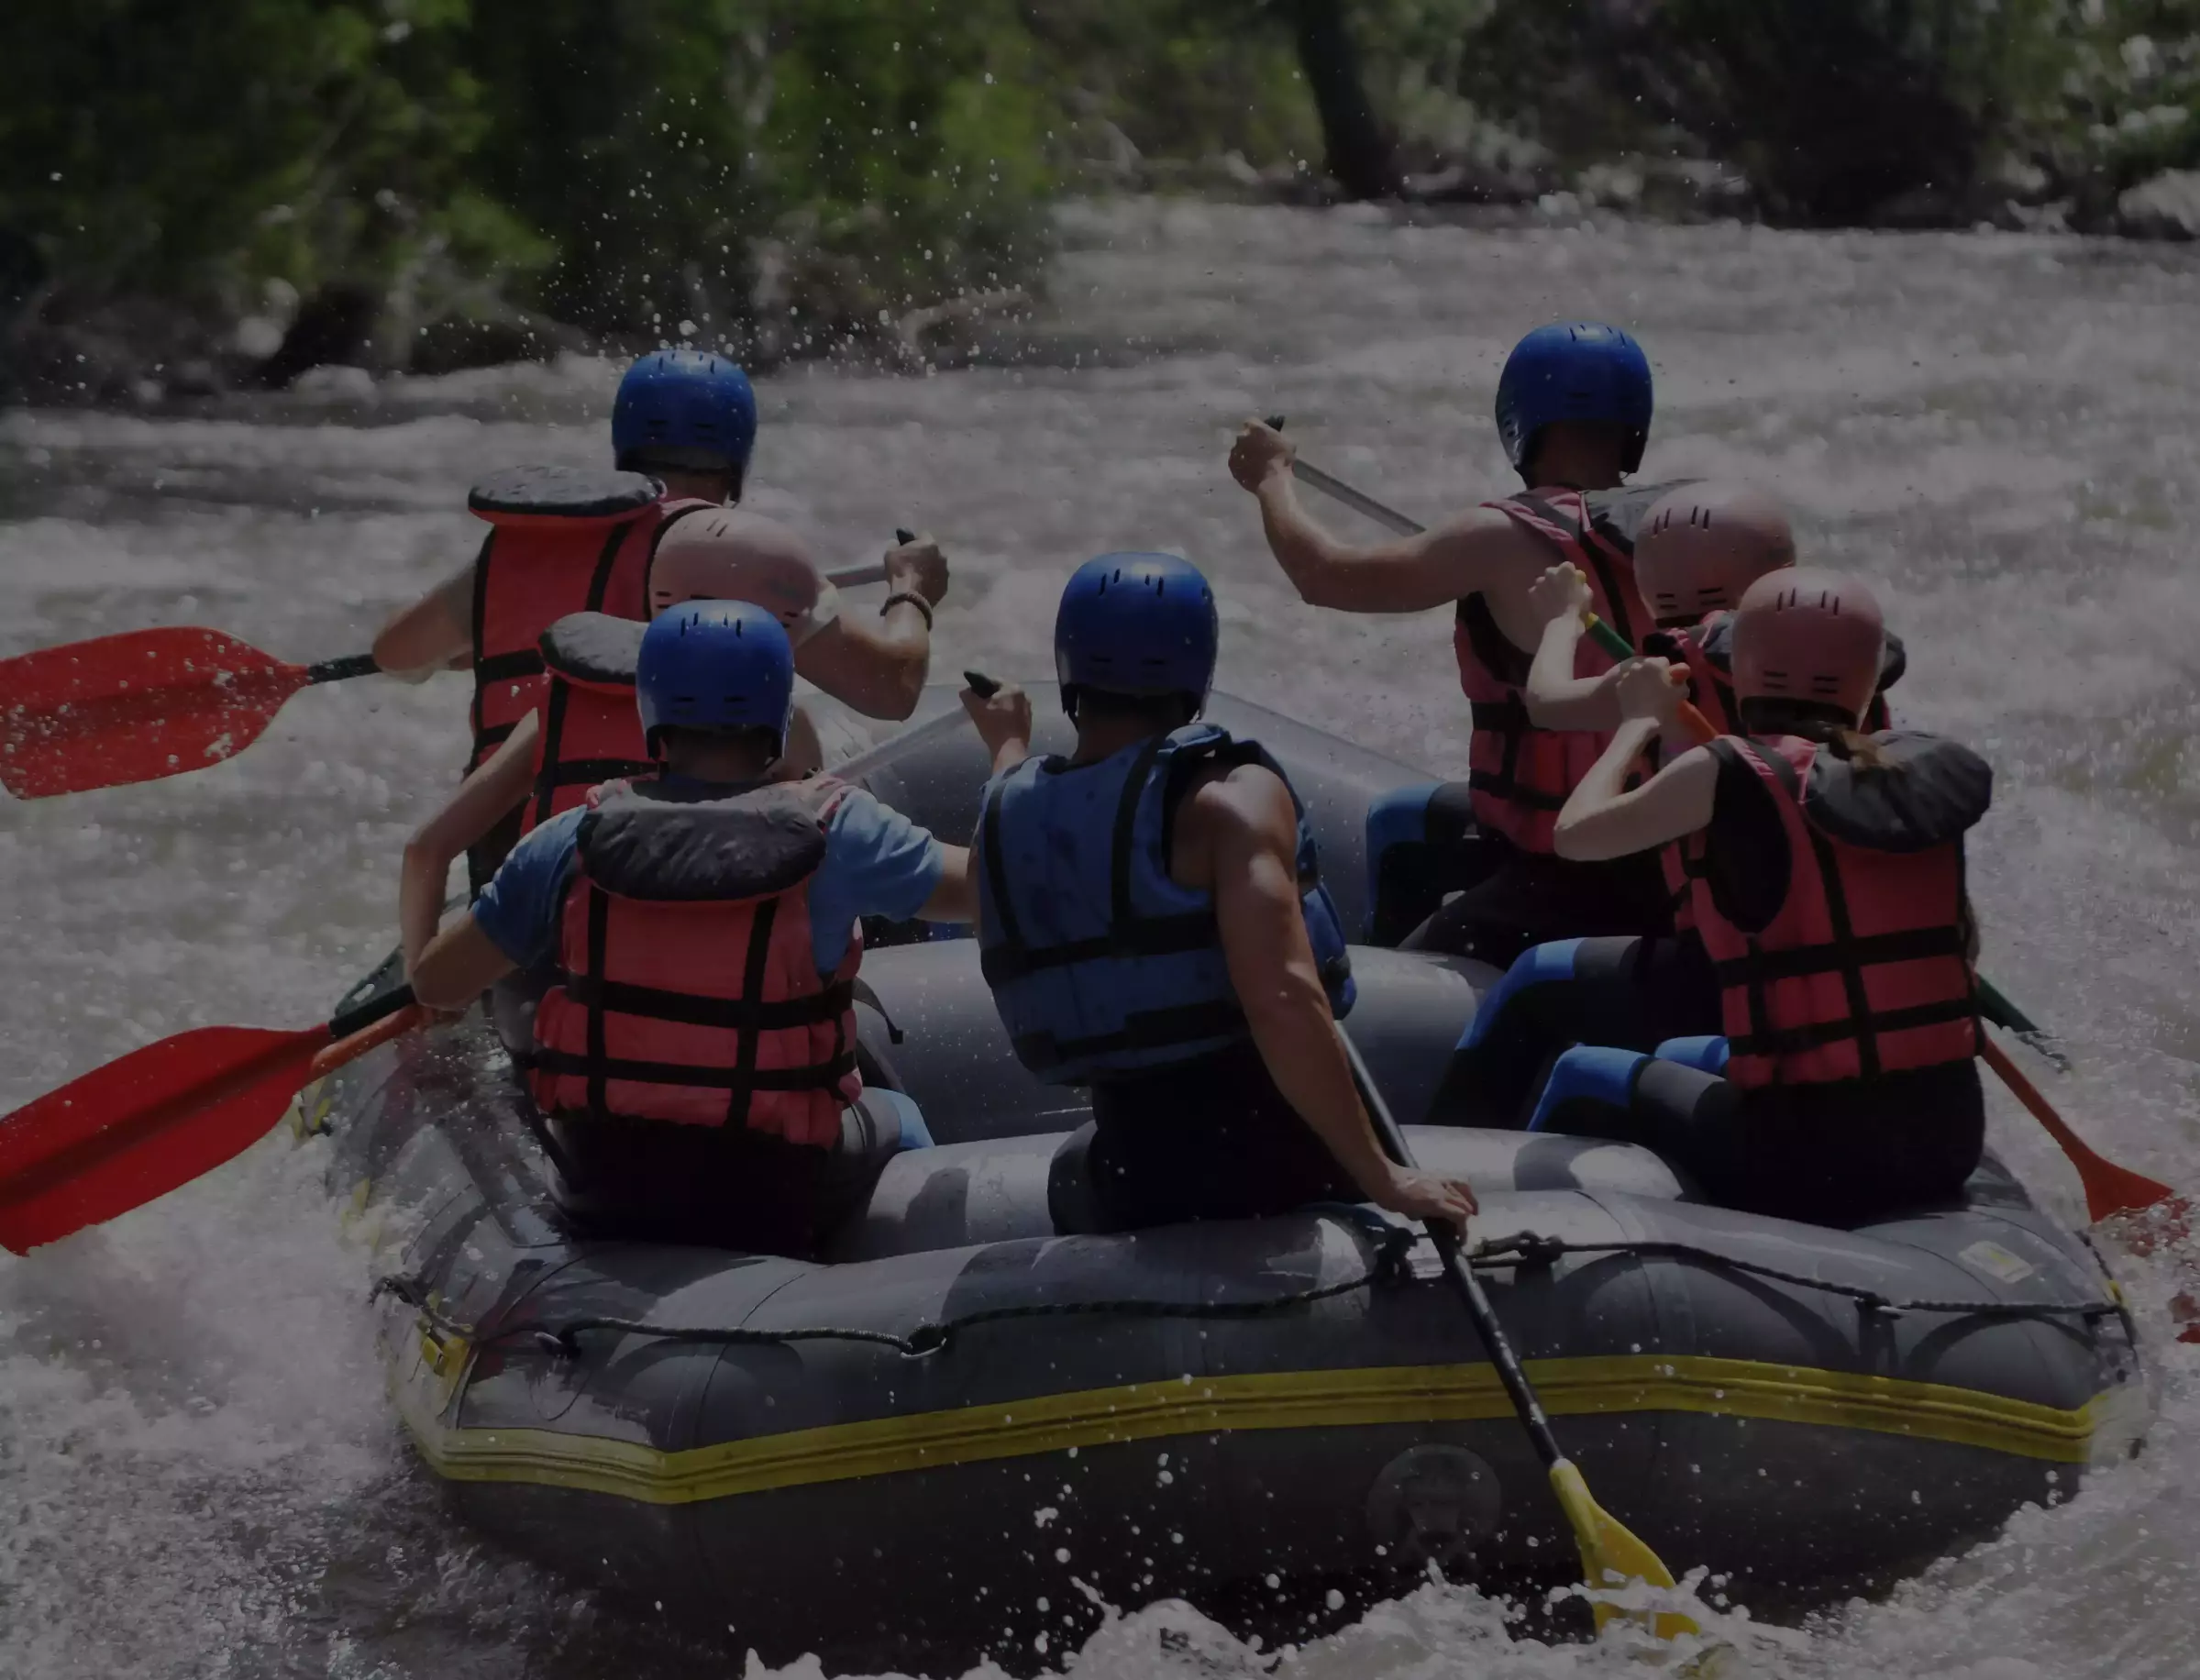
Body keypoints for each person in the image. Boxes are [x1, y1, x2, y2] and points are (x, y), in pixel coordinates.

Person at [406, 601, 978, 1256]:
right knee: (898, 1118)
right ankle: (910, 1295)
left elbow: (437, 983)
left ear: (653, 712)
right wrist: (1011, 754)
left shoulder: (568, 840)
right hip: (772, 1186)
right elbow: (991, 894)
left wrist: (462, 910)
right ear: (776, 711)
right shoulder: (841, 828)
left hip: (608, 1182)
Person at [962, 552, 1477, 1235]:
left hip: (1132, 1172)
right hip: (1275, 1160)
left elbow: (1029, 802)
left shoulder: (1006, 810)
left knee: (1070, 1170)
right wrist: (1383, 1176)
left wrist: (1006, 748)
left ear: (1069, 668)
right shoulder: (1230, 800)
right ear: (1195, 666)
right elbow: (1284, 997)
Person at [1508, 569, 1992, 1225]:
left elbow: (1576, 836)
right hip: (1947, 1139)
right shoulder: (1919, 777)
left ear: (1744, 667)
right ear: (1869, 676)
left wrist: (1636, 724)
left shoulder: (1726, 768)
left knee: (1581, 1071)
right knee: (1681, 1056)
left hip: (1806, 1154)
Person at [373, 348, 949, 885]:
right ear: (738, 455)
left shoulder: (520, 547)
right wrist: (911, 590)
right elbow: (889, 689)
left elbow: (394, 655)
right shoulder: (738, 548)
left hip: (510, 861)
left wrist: (481, 647)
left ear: (623, 443)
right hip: (668, 856)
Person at [1230, 321, 1692, 964]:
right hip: (1663, 839)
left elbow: (1321, 576)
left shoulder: (1494, 538)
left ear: (1518, 418)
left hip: (1578, 870)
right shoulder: (1682, 536)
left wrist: (1272, 478)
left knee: (1405, 970)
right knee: (1405, 827)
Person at [395, 509, 910, 984]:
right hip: (746, 1006)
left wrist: (423, 985)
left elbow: (426, 848)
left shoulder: (563, 761)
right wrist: (913, 592)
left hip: (559, 999)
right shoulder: (812, 771)